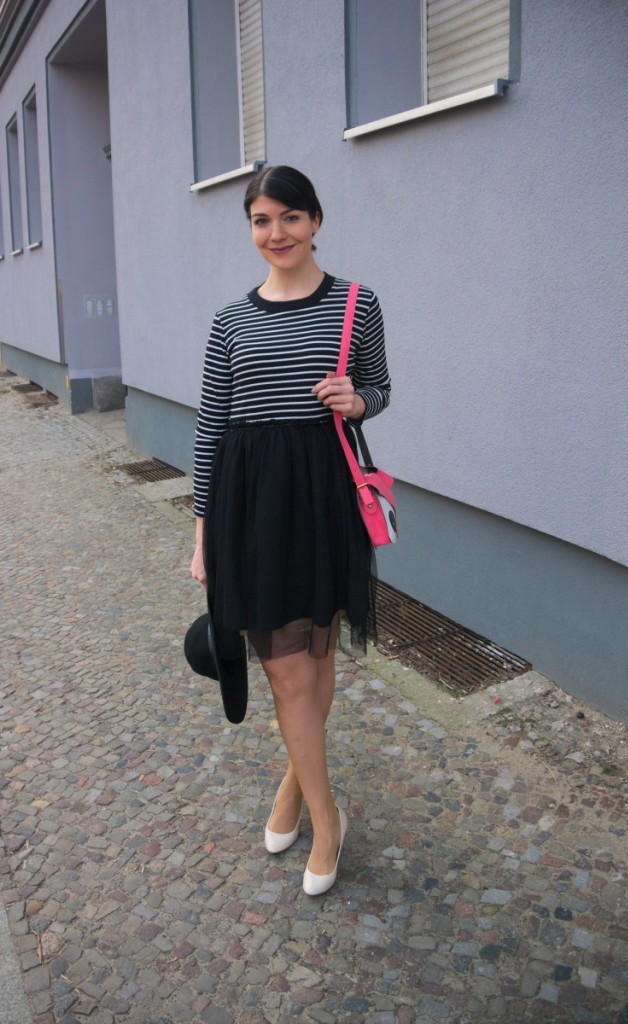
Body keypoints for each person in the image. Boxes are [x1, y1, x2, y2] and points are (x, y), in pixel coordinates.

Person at [190, 165, 391, 896]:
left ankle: (301, 797)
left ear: (316, 221)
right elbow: (211, 426)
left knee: (314, 649)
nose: (275, 234)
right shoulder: (230, 321)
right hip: (250, 504)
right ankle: (321, 805)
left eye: (290, 218)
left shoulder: (355, 304)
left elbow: (380, 386)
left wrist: (358, 400)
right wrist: (203, 530)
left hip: (321, 495)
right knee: (282, 664)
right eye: (261, 220)